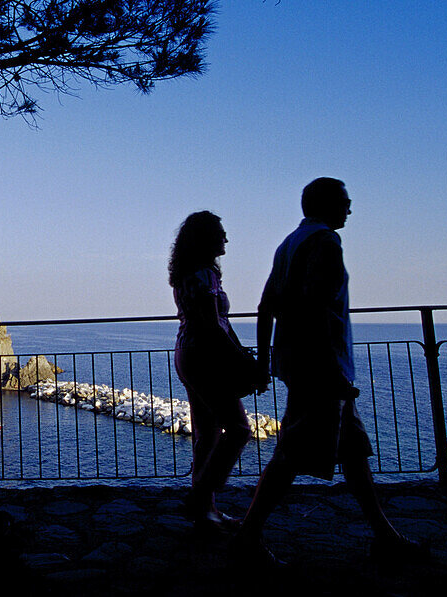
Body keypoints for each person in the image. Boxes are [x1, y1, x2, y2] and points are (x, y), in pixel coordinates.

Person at [231, 178, 424, 566]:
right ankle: (247, 536)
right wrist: (334, 372)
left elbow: (266, 306)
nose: (350, 209)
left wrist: (265, 359)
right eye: (346, 201)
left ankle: (384, 534)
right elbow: (316, 307)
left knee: (353, 452)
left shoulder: (288, 244)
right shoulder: (325, 243)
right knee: (288, 455)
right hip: (321, 369)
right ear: (330, 204)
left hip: (300, 364)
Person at [169, 211, 260, 531]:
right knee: (238, 429)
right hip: (204, 357)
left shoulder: (190, 273)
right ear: (206, 238)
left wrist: (239, 351)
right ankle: (198, 497)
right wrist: (242, 360)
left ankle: (205, 512)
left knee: (206, 435)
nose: (226, 239)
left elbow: (220, 323)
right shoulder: (205, 274)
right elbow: (212, 325)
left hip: (188, 352)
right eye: (220, 233)